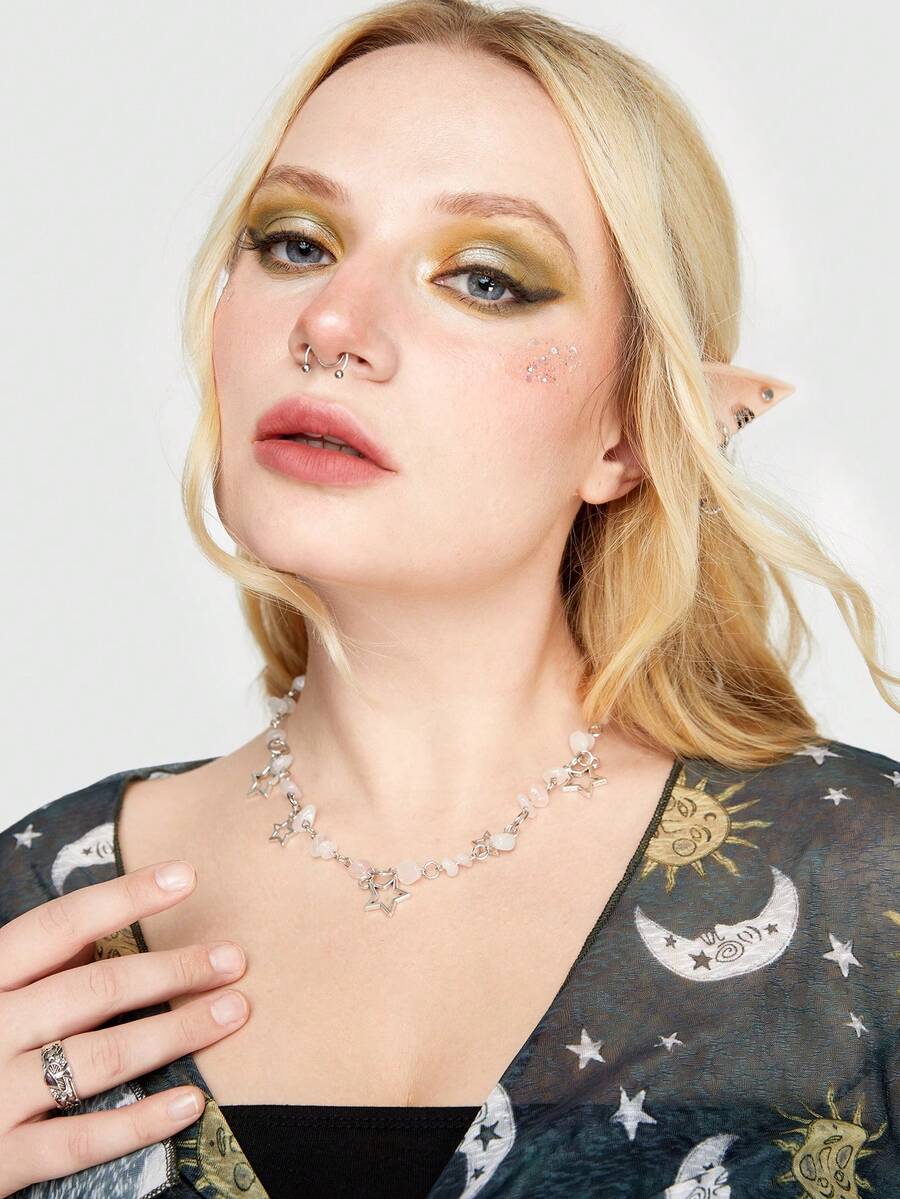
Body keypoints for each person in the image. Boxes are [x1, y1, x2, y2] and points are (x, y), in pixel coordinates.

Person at [1, 0, 897, 1196]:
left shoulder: (866, 884)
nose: (330, 323)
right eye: (296, 243)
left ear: (629, 431)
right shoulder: (41, 907)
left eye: (483, 277)